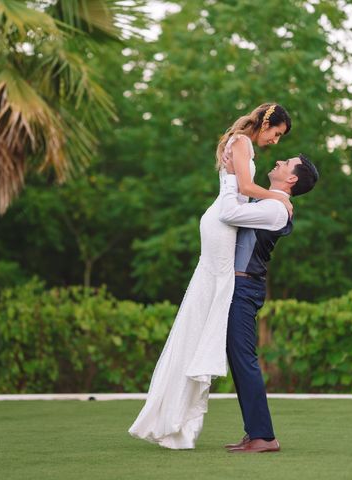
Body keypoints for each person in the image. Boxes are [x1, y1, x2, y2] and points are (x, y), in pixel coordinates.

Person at [128, 103, 293, 449]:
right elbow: (244, 190)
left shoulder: (240, 143)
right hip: (221, 222)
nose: (276, 143)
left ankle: (202, 387)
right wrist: (278, 196)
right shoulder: (242, 142)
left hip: (221, 220)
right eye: (276, 134)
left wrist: (274, 199)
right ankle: (205, 391)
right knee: (216, 300)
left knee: (211, 309)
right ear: (265, 123)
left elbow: (241, 193)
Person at [220, 153, 319, 453]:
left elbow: (228, 214)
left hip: (244, 286)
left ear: (291, 179)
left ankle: (264, 436)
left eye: (286, 163)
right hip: (237, 285)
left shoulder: (276, 208)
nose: (278, 161)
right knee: (238, 360)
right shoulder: (269, 202)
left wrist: (229, 177)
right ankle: (255, 433)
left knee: (244, 358)